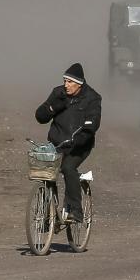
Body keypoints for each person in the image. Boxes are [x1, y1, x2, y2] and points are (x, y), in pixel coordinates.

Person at [35, 63, 102, 223]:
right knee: (46, 172)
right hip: (57, 142)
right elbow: (40, 117)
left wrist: (79, 139)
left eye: (70, 82)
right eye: (65, 81)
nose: (66, 85)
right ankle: (46, 216)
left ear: (79, 84)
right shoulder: (58, 93)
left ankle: (75, 211)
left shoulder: (92, 98)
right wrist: (52, 108)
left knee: (68, 168)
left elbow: (92, 124)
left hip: (79, 145)